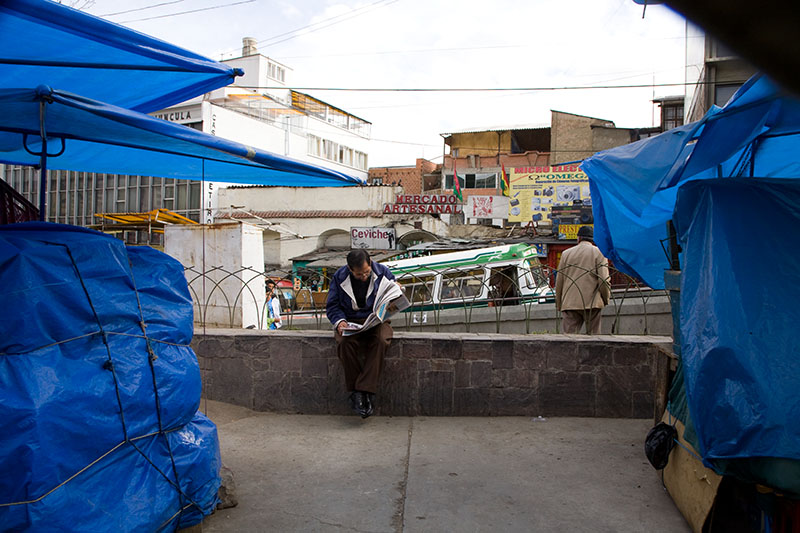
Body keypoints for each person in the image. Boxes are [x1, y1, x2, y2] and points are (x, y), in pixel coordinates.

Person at [326, 249, 395, 419]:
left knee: (381, 341)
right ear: (350, 270)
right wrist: (340, 322)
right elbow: (332, 306)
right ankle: (361, 393)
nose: (363, 277)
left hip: (377, 320)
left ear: (370, 263)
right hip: (350, 321)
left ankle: (362, 391)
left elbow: (393, 296)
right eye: (359, 275)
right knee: (344, 343)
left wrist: (397, 294)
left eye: (366, 272)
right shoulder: (339, 277)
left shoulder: (384, 272)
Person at [555, 226, 611, 334]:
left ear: (578, 238)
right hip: (592, 303)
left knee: (569, 339)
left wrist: (559, 303)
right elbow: (603, 279)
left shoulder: (566, 254)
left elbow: (559, 281)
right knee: (594, 339)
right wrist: (605, 298)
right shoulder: (599, 253)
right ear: (592, 239)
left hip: (570, 302)